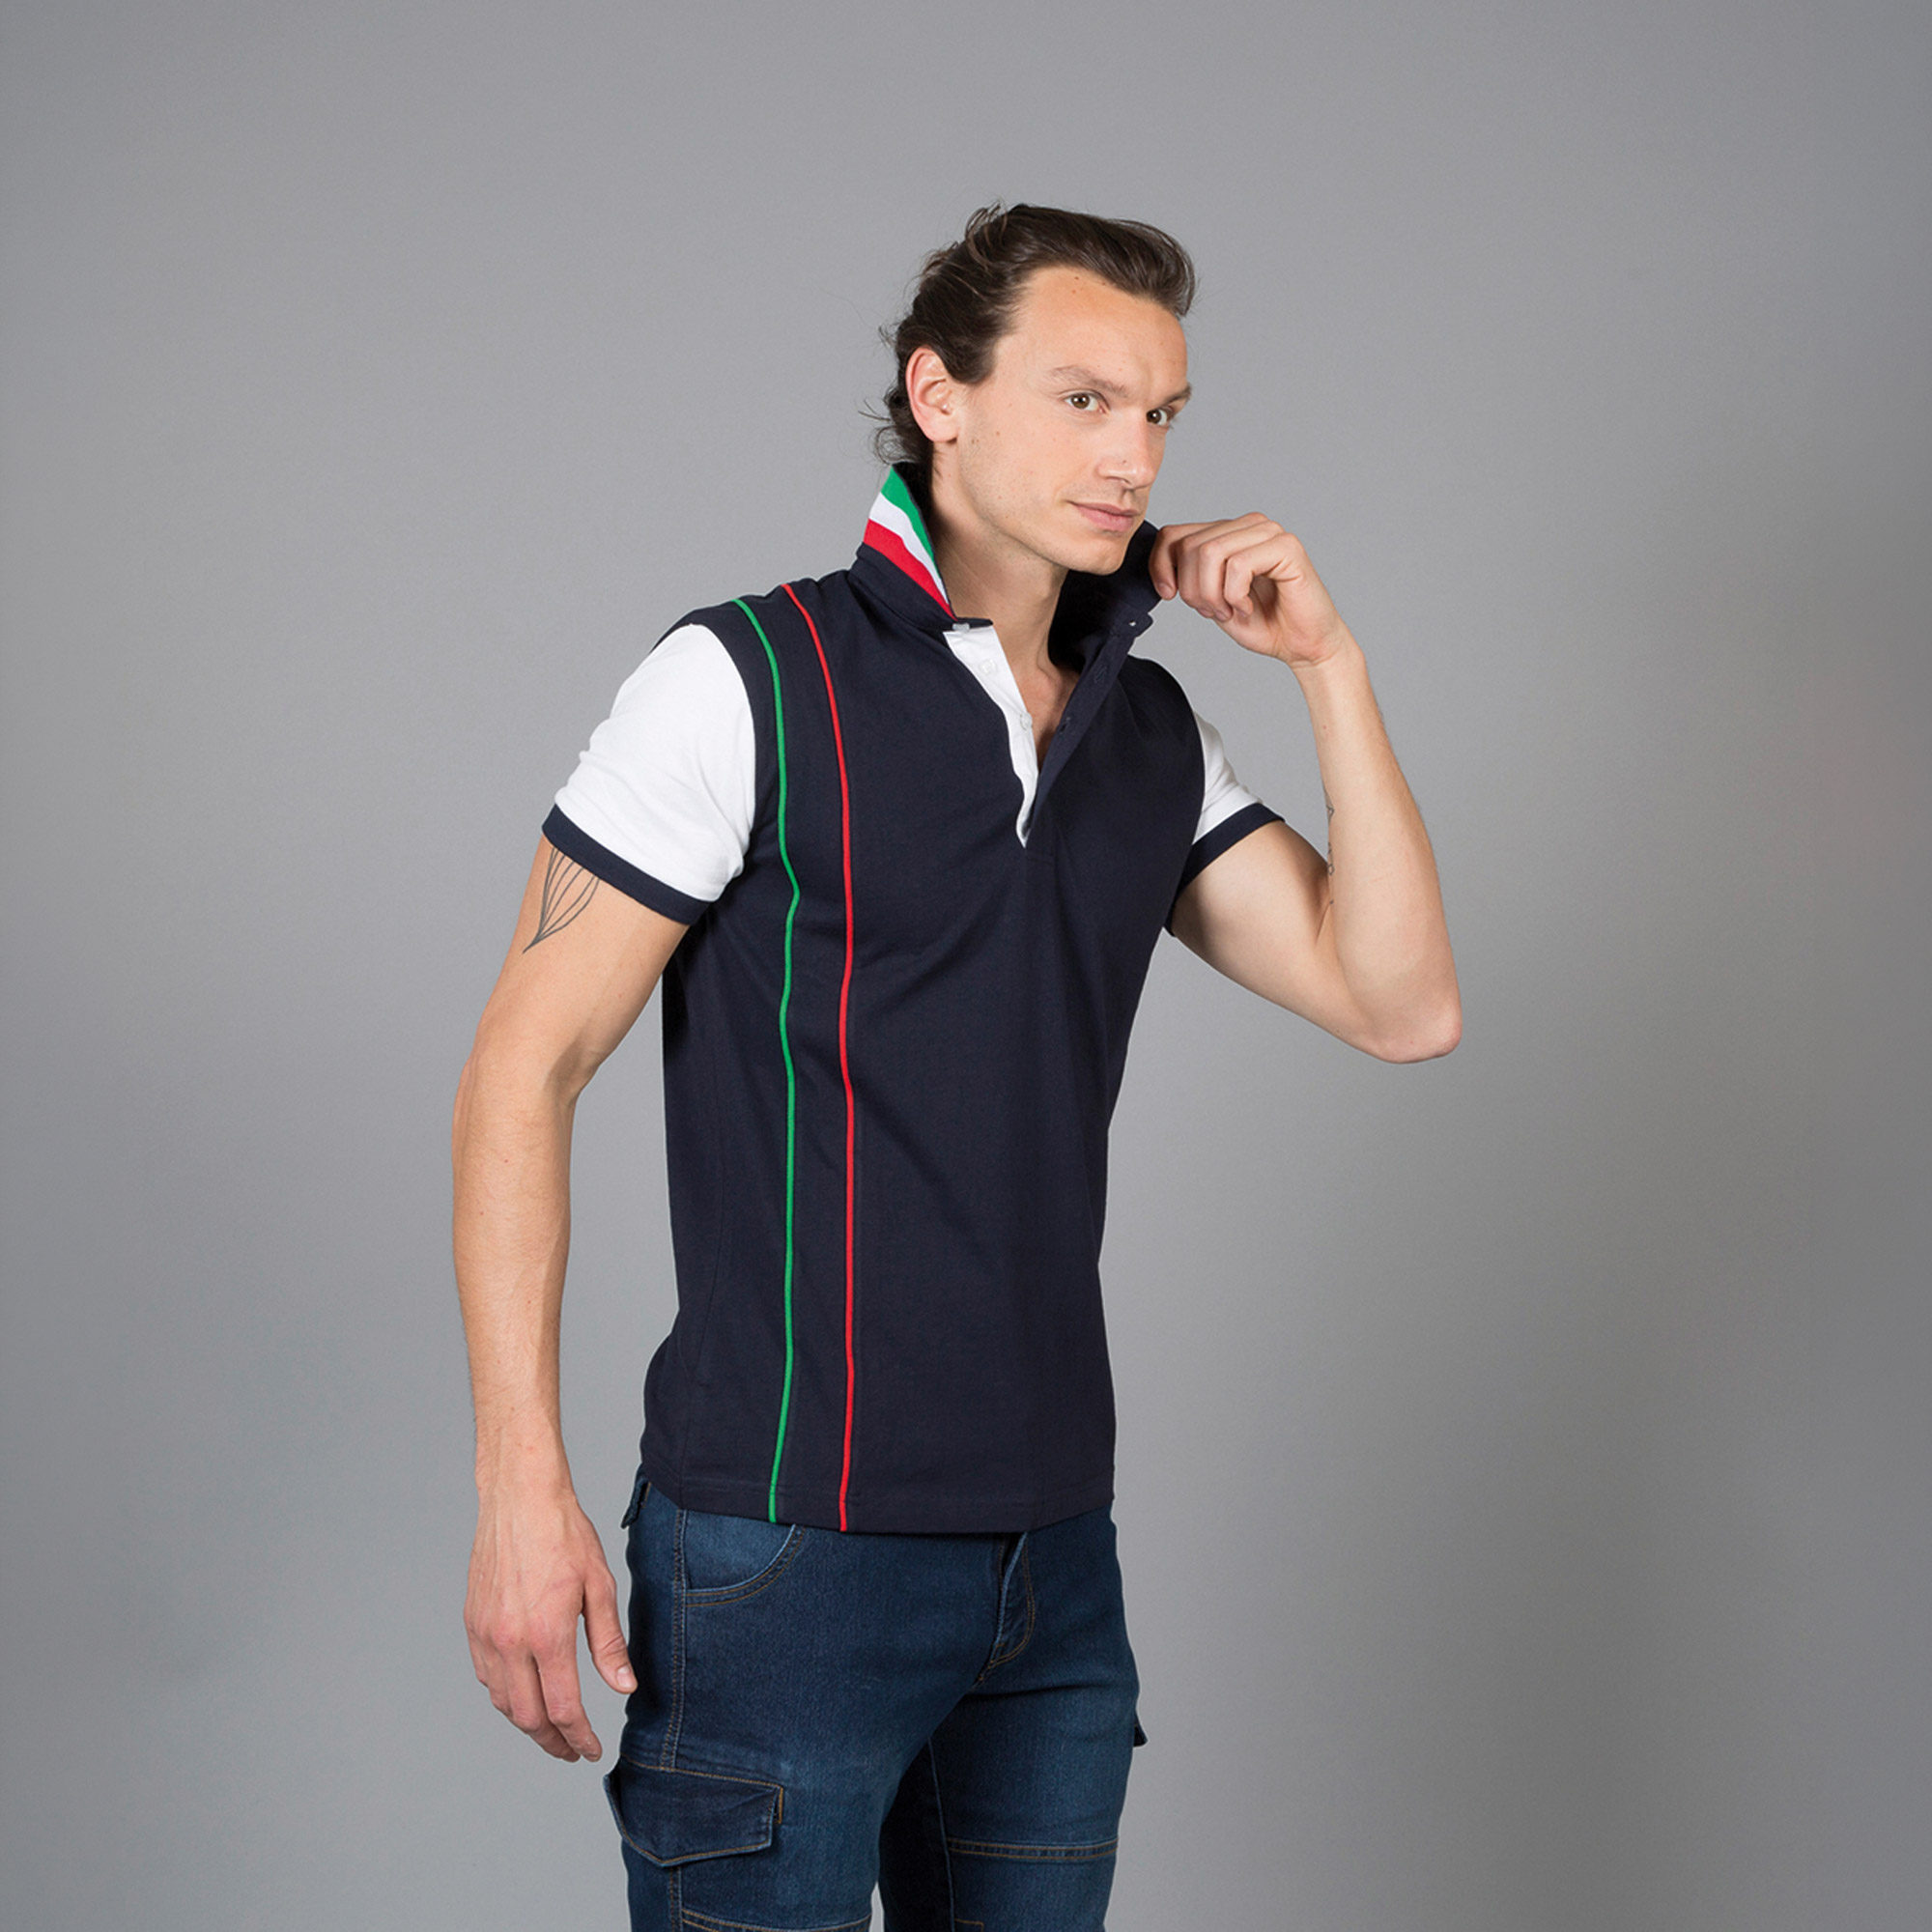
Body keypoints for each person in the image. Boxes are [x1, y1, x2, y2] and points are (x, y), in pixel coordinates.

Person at [452, 201, 1460, 1931]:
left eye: (1161, 414)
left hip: (1053, 1564)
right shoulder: (747, 679)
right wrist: (517, 1491)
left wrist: (1333, 670)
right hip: (785, 1554)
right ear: (940, 396)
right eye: (1084, 400)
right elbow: (518, 1076)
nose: (1133, 457)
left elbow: (1401, 1002)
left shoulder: (1148, 731)